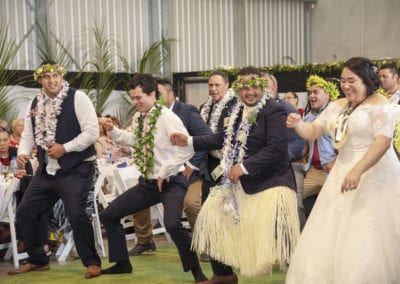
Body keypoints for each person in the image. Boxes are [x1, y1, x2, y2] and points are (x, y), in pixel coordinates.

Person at [172, 66, 300, 282]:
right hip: (235, 182)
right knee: (209, 219)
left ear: (262, 86)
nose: (249, 92)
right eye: (243, 87)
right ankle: (224, 276)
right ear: (236, 89)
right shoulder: (237, 111)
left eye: (254, 86)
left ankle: (301, 272)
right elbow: (222, 137)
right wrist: (191, 141)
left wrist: (243, 167)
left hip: (271, 182)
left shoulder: (274, 109)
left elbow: (277, 149)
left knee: (281, 239)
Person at [286, 57, 400, 283]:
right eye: (343, 81)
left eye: (352, 80)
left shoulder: (382, 105)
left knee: (368, 232)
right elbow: (314, 130)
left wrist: (357, 171)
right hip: (341, 171)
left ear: (367, 80)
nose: (346, 86)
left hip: (374, 172)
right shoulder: (337, 105)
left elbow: (382, 143)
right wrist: (298, 124)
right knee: (332, 231)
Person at [98, 73, 208, 283]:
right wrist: (113, 131)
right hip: (148, 183)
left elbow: (187, 149)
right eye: (133, 98)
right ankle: (122, 263)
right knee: (110, 214)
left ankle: (197, 272)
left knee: (173, 225)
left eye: (139, 97)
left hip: (171, 182)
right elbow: (135, 139)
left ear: (153, 95)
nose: (135, 102)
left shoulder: (167, 117)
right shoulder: (140, 117)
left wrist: (165, 169)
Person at [8, 61, 102, 279]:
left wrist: (65, 148)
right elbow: (28, 135)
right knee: (25, 213)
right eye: (47, 77)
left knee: (77, 214)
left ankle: (92, 262)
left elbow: (92, 132)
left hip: (77, 168)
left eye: (55, 76)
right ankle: (38, 259)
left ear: (61, 77)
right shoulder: (34, 102)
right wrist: (23, 152)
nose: (52, 80)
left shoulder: (78, 98)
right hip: (47, 171)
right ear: (40, 80)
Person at [128, 77, 212, 256]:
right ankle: (144, 240)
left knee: (191, 204)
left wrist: (190, 164)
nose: (156, 98)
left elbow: (205, 138)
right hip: (157, 173)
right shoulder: (144, 114)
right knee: (136, 199)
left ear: (171, 94)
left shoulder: (186, 111)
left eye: (159, 94)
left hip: (189, 172)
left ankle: (203, 243)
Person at [262, 73, 305, 228]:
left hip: (287, 166)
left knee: (293, 208)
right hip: (265, 167)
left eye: (263, 87)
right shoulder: (260, 109)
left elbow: (298, 141)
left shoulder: (285, 109)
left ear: (273, 88)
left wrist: (277, 159)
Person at [301, 75, 338, 219]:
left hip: (332, 170)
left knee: (334, 208)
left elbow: (345, 142)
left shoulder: (337, 114)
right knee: (293, 199)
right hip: (313, 170)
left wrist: (336, 161)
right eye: (310, 93)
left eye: (316, 92)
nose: (311, 96)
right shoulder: (308, 116)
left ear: (327, 94)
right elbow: (305, 144)